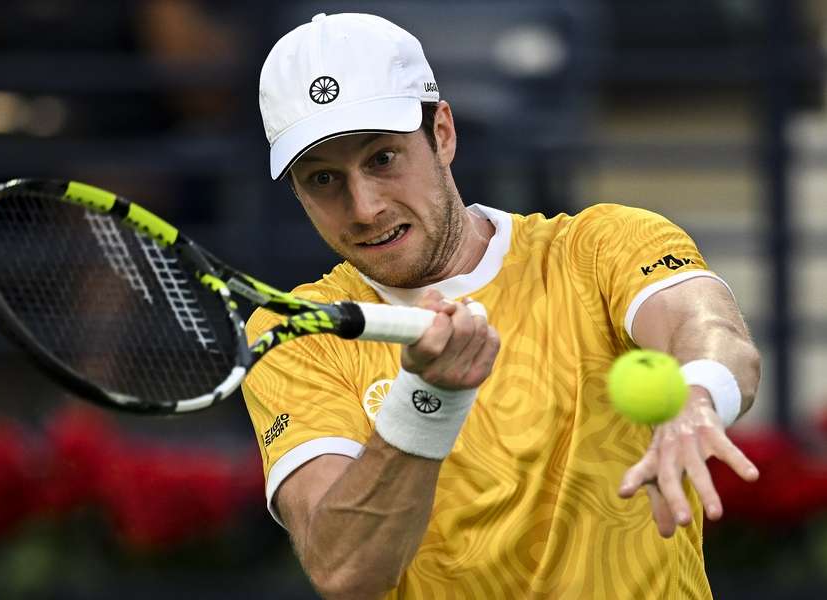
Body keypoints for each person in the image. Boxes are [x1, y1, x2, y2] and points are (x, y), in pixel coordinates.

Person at [241, 12, 761, 599]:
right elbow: (344, 571)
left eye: (382, 159)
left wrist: (697, 397)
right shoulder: (297, 333)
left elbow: (708, 326)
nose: (363, 207)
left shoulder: (599, 247)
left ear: (442, 134)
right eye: (322, 180)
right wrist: (427, 403)